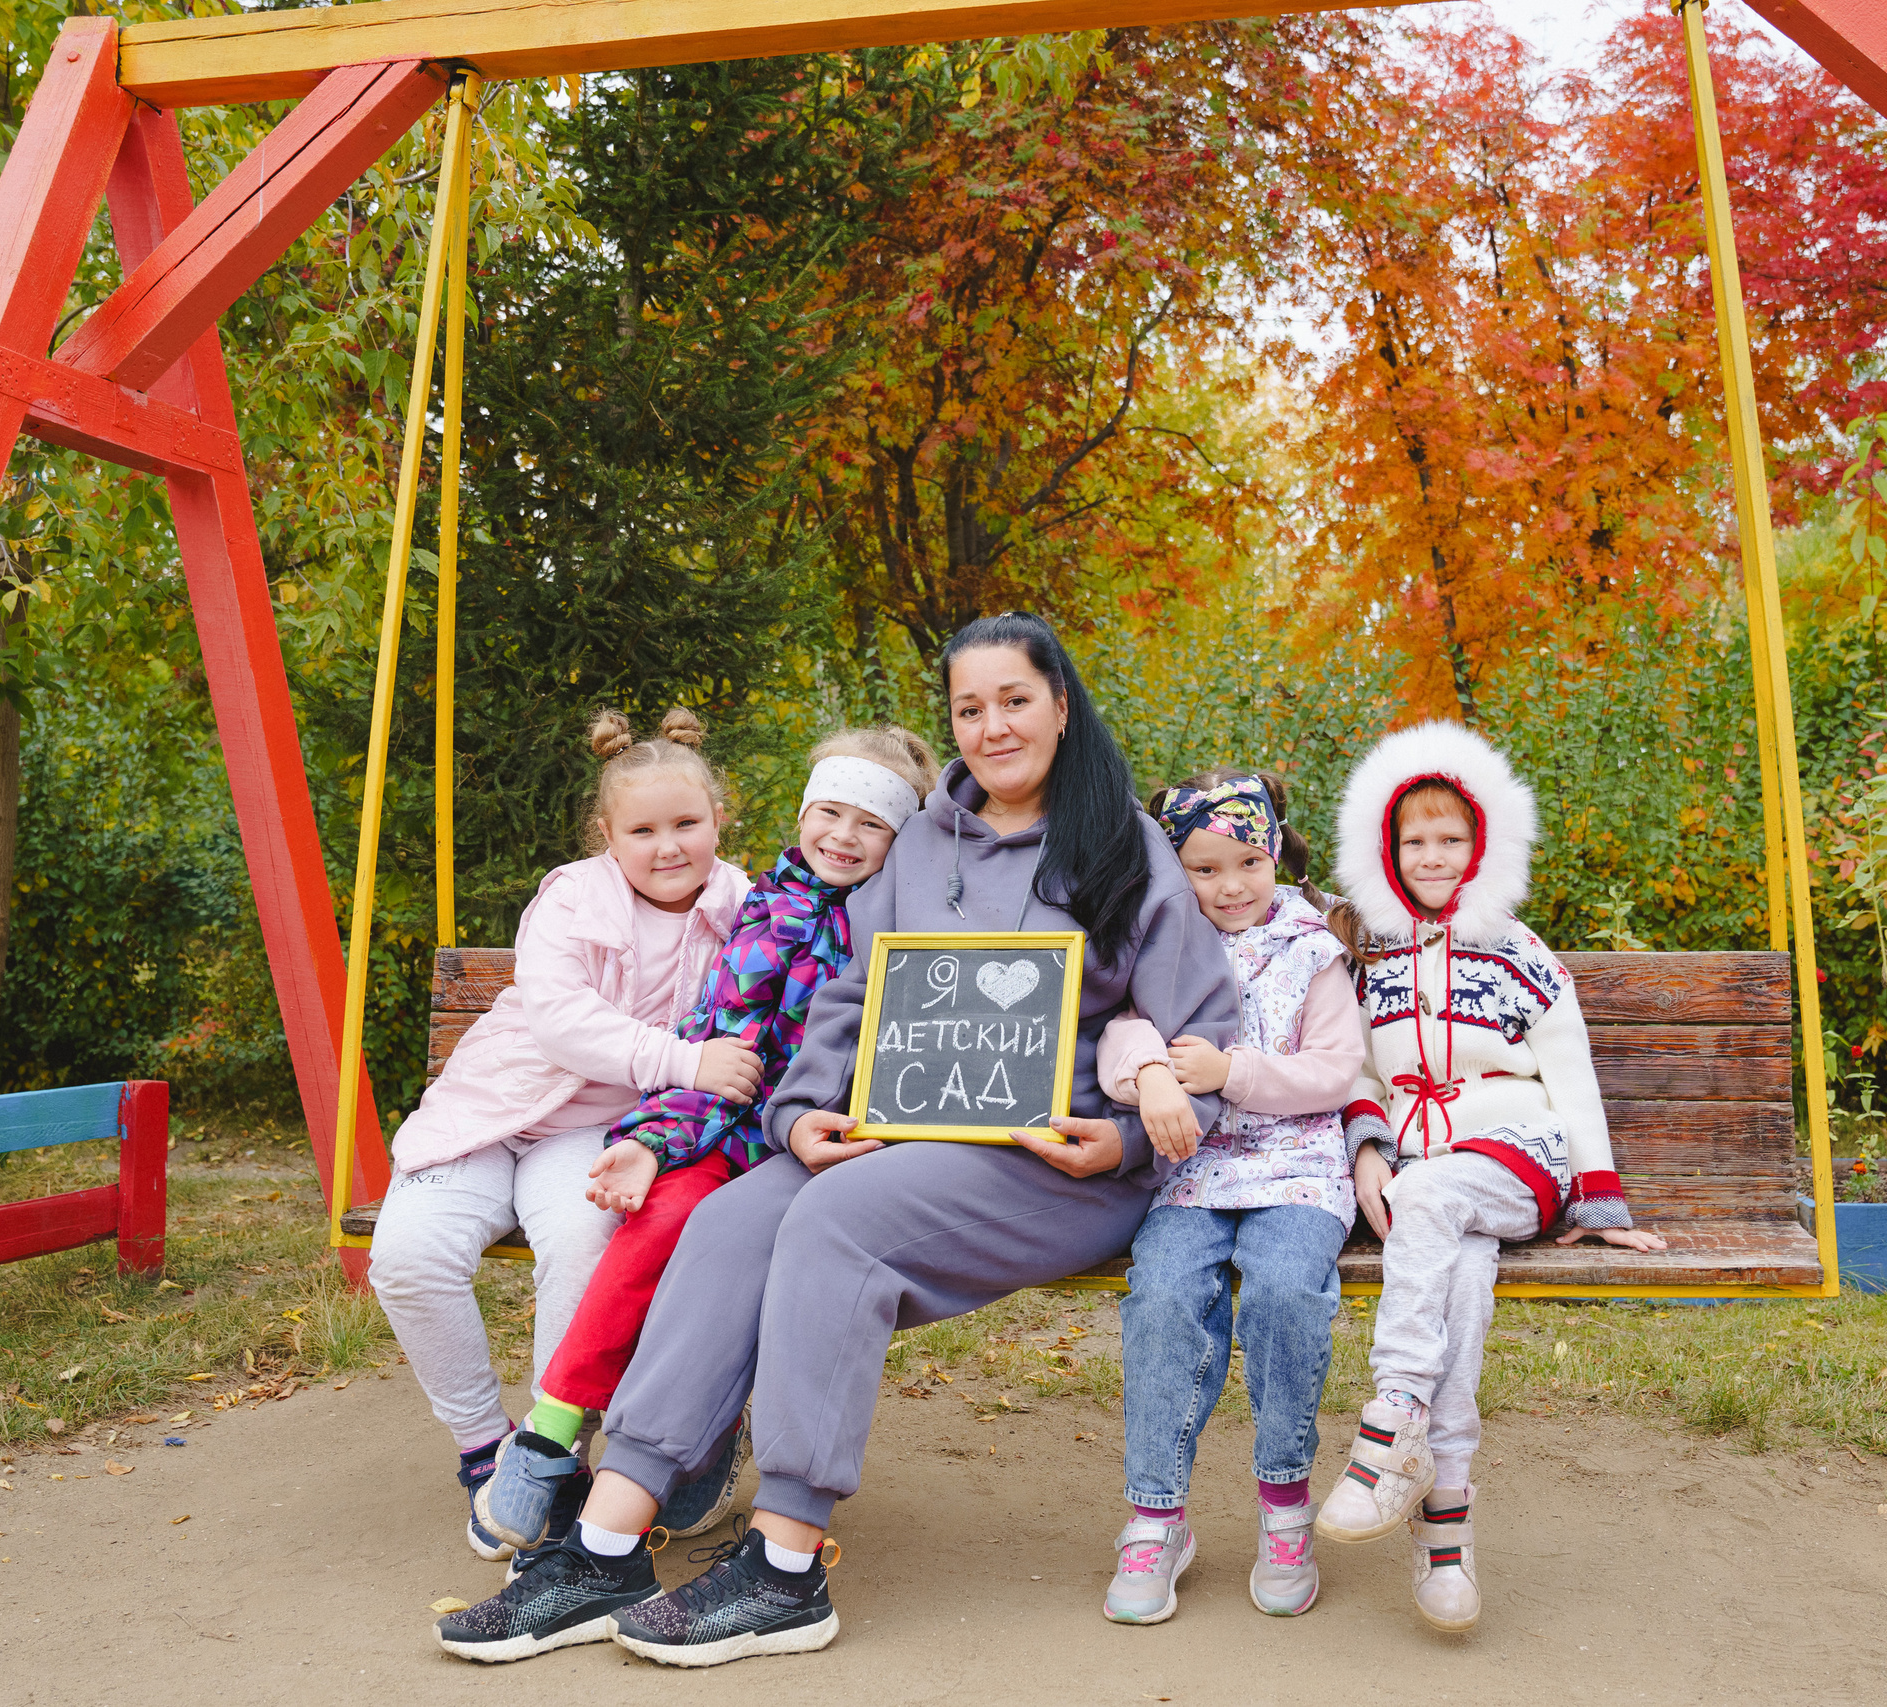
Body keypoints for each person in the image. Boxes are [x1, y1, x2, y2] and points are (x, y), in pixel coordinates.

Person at [445, 610, 1239, 1670]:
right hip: (903, 1137)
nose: (993, 726)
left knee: (834, 1221)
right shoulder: (918, 844)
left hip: (1057, 1161)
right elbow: (849, 1001)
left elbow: (1203, 1037)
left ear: (1059, 704)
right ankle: (604, 1545)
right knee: (733, 1218)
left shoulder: (1120, 846)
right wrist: (793, 1113)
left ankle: (784, 1567)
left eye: (1014, 700)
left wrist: (1127, 1143)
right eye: (969, 707)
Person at [438, 726, 938, 1662]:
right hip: (736, 1130)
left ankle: (694, 1459)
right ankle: (552, 1436)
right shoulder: (767, 911)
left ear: (901, 837)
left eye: (871, 822)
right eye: (828, 811)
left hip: (840, 1150)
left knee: (767, 1248)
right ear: (800, 816)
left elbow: (921, 1053)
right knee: (655, 1220)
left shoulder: (908, 925)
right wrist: (647, 1143)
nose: (843, 835)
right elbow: (719, 1042)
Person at [368, 708, 756, 1569]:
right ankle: (484, 1446)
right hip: (487, 1112)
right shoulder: (573, 896)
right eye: (642, 830)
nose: (667, 846)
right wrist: (687, 1061)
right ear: (606, 836)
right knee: (407, 1254)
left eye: (687, 824)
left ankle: (558, 1451)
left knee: (584, 1242)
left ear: (719, 820)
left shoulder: (744, 907)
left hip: (593, 1129)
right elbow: (561, 1018)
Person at [1310, 721, 1667, 1632]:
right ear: (1385, 851)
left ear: (1483, 846)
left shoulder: (1517, 951)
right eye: (1414, 840)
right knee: (1460, 1276)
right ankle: (1446, 1533)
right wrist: (1365, 1152)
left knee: (1434, 1199)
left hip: (1520, 1157)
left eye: (1452, 839)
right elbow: (1355, 1071)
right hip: (1424, 1179)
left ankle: (1389, 1424)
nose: (1433, 855)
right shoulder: (1372, 959)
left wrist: (1599, 1195)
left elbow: (1572, 1067)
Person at [1091, 768, 1367, 1625]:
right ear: (1177, 872)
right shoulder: (1159, 940)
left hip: (1297, 1165)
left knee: (1286, 1293)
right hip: (1193, 1166)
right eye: (1204, 869)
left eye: (1248, 861)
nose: (1230, 885)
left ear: (1276, 852)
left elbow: (1335, 1069)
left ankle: (1285, 1507)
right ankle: (1156, 1514)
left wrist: (1231, 1072)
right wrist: (1149, 1074)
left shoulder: (1313, 945)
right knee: (1166, 1296)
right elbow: (1117, 1030)